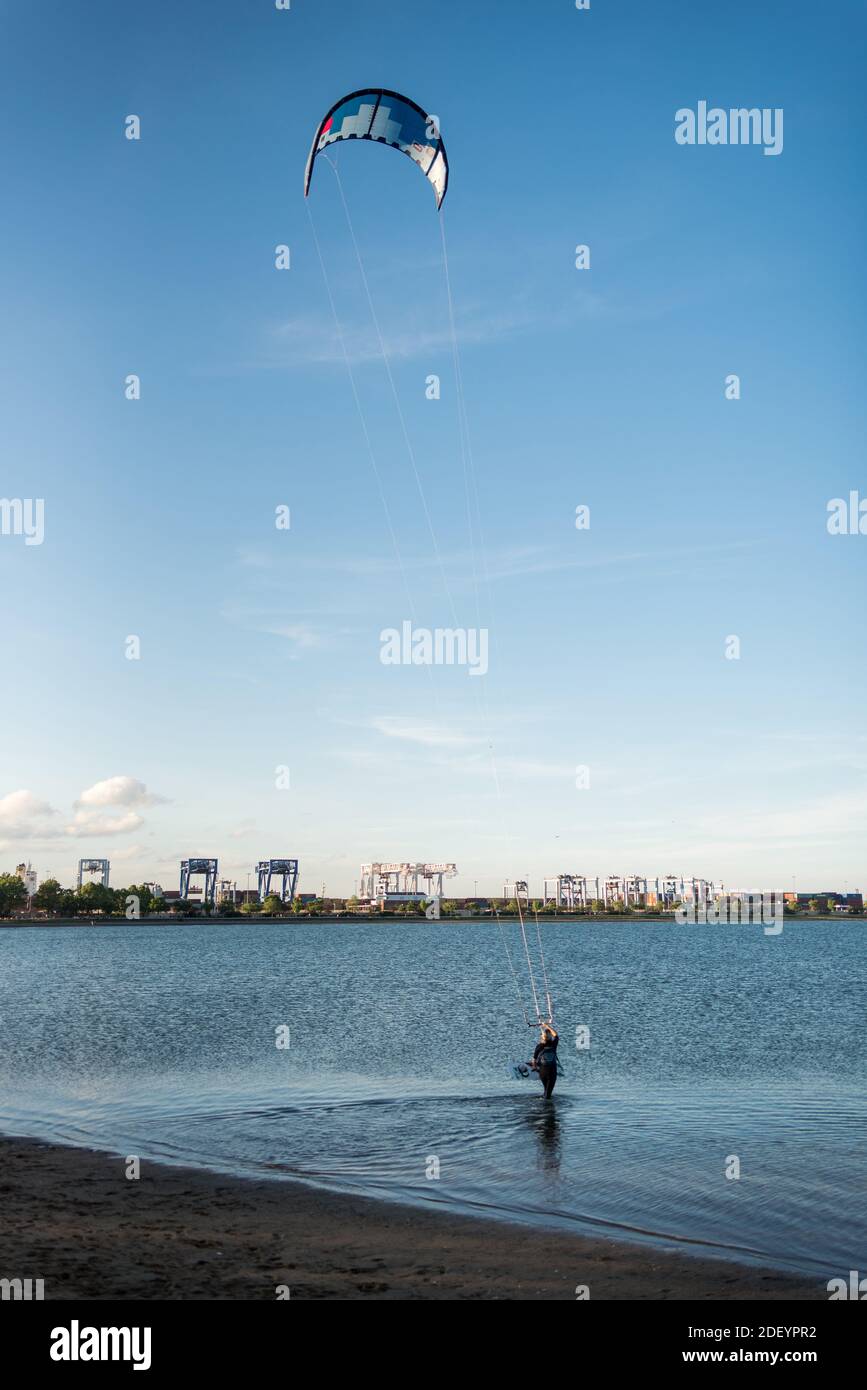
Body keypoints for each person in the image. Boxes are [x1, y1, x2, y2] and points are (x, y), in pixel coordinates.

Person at [532, 1021, 559, 1099]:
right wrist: (547, 1026)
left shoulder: (539, 1046)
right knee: (548, 1094)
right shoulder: (553, 1044)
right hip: (552, 1071)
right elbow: (556, 1035)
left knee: (546, 1091)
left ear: (542, 1037)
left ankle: (544, 1105)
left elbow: (534, 1059)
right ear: (550, 1037)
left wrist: (534, 1067)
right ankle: (547, 1108)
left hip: (542, 1072)